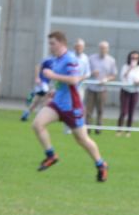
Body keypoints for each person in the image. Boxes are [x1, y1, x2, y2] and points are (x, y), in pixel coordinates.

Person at [32, 30, 107, 182]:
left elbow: (74, 80)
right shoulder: (56, 60)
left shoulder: (70, 59)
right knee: (37, 124)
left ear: (61, 43)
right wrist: (53, 91)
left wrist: (52, 76)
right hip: (58, 103)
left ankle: (101, 164)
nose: (50, 46)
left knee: (82, 139)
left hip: (72, 106)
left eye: (52, 43)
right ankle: (51, 156)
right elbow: (63, 82)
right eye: (50, 43)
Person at [86, 40, 117, 133]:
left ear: (108, 49)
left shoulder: (111, 60)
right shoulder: (91, 58)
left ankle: (99, 127)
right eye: (101, 48)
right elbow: (85, 72)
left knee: (100, 109)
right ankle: (87, 127)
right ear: (99, 48)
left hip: (102, 89)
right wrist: (92, 73)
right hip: (91, 87)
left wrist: (106, 79)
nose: (103, 50)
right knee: (88, 109)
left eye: (105, 48)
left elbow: (113, 75)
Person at [118, 50, 139, 133]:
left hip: (135, 91)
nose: (134, 59)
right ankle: (119, 129)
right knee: (124, 111)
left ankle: (128, 131)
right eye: (132, 58)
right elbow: (122, 77)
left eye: (136, 58)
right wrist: (130, 68)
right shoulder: (125, 66)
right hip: (125, 90)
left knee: (131, 111)